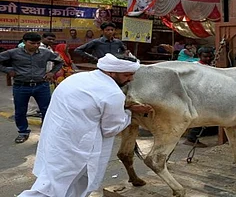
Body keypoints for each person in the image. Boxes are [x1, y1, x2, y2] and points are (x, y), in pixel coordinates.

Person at [18, 54, 153, 197]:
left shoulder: (77, 78)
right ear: (111, 72)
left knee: (57, 181)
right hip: (78, 148)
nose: (130, 79)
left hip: (56, 139)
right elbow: (110, 129)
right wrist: (129, 113)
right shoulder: (113, 94)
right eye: (127, 75)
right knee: (53, 188)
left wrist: (125, 109)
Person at [0, 32, 64, 143]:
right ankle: (23, 132)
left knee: (47, 110)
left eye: (38, 43)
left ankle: (47, 132)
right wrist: (8, 70)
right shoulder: (13, 53)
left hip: (41, 86)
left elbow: (60, 62)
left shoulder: (46, 53)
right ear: (24, 42)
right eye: (32, 43)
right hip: (21, 86)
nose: (35, 46)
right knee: (20, 111)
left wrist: (52, 73)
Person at [183, 47, 215, 148]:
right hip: (196, 95)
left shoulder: (211, 66)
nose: (208, 58)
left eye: (210, 56)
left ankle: (192, 136)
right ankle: (192, 137)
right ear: (199, 56)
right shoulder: (195, 67)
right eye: (205, 56)